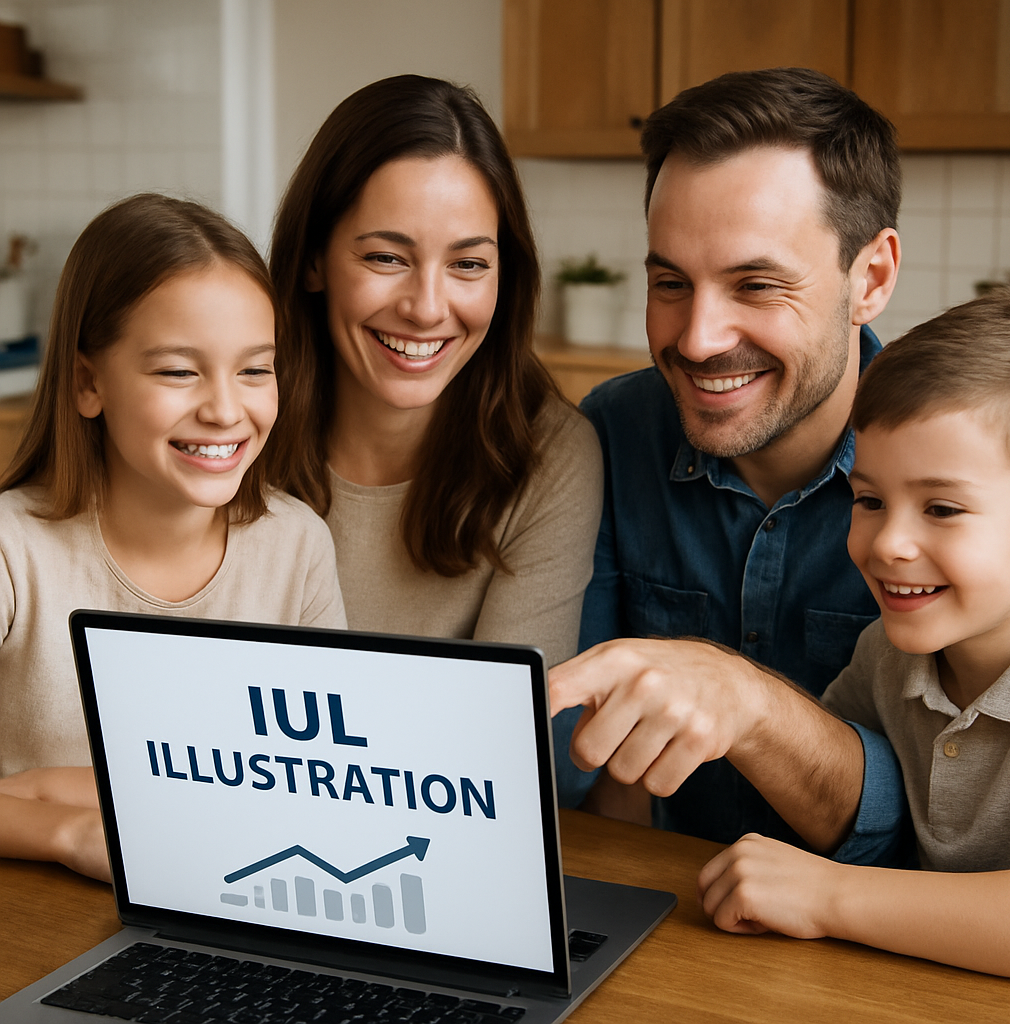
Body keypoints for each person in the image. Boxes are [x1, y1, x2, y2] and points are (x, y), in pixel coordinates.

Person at [552, 67, 906, 857]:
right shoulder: (613, 431)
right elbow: (576, 761)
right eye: (671, 282)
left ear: (871, 277)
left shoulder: (970, 478)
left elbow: (930, 819)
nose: (698, 337)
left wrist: (748, 700)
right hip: (673, 910)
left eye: (756, 284)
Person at [0, 193, 347, 881]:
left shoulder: (297, 545)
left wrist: (50, 787)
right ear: (87, 382)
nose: (224, 409)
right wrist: (71, 831)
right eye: (179, 371)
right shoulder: (13, 552)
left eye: (254, 369)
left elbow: (323, 788)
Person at [695, 291, 1010, 979]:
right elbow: (844, 811)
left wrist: (829, 898)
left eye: (942, 508)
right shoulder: (886, 654)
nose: (889, 544)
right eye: (869, 500)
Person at [268, 75, 602, 665]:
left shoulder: (548, 455)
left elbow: (504, 741)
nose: (426, 308)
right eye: (385, 257)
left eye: (468, 263)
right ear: (314, 260)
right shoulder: (232, 425)